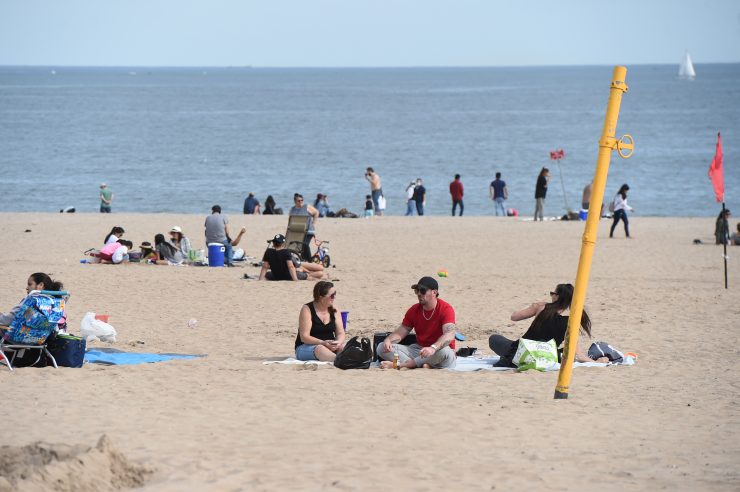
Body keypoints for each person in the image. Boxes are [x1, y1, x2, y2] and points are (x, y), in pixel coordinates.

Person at [488, 283, 609, 367]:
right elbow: (576, 353)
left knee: (494, 338)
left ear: (557, 296)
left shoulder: (541, 307)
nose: (551, 296)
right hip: (545, 355)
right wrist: (595, 362)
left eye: (552, 293)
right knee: (563, 352)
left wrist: (533, 306)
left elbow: (514, 317)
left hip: (522, 351)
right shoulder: (572, 320)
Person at [377, 276, 457, 369]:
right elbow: (401, 332)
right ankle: (423, 365)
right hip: (419, 351)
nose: (419, 293)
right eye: (417, 291)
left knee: (445, 352)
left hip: (438, 351)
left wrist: (433, 348)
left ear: (434, 292)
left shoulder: (446, 309)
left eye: (422, 290)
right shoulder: (414, 310)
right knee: (381, 347)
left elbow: (449, 335)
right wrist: (388, 340)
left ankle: (406, 365)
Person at [294, 281, 345, 362]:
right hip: (306, 347)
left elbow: (340, 333)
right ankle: (340, 361)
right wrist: (323, 343)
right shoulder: (307, 309)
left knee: (343, 347)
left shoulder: (334, 309)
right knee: (320, 349)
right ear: (321, 297)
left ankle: (344, 360)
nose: (334, 297)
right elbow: (304, 337)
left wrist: (338, 342)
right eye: (332, 295)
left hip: (329, 346)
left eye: (335, 294)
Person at [0, 273, 66, 331]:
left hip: (18, 338)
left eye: (30, 284)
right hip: (42, 340)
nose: (27, 288)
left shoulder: (32, 300)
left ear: (41, 285)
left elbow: (9, 319)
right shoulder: (56, 303)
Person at [289, 194, 320, 261]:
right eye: (299, 201)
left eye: (302, 200)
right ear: (295, 201)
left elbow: (316, 212)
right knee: (299, 246)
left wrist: (313, 223)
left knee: (305, 244)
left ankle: (309, 260)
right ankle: (303, 259)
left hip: (309, 231)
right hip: (299, 231)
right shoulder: (292, 209)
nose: (300, 202)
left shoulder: (306, 207)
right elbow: (291, 220)